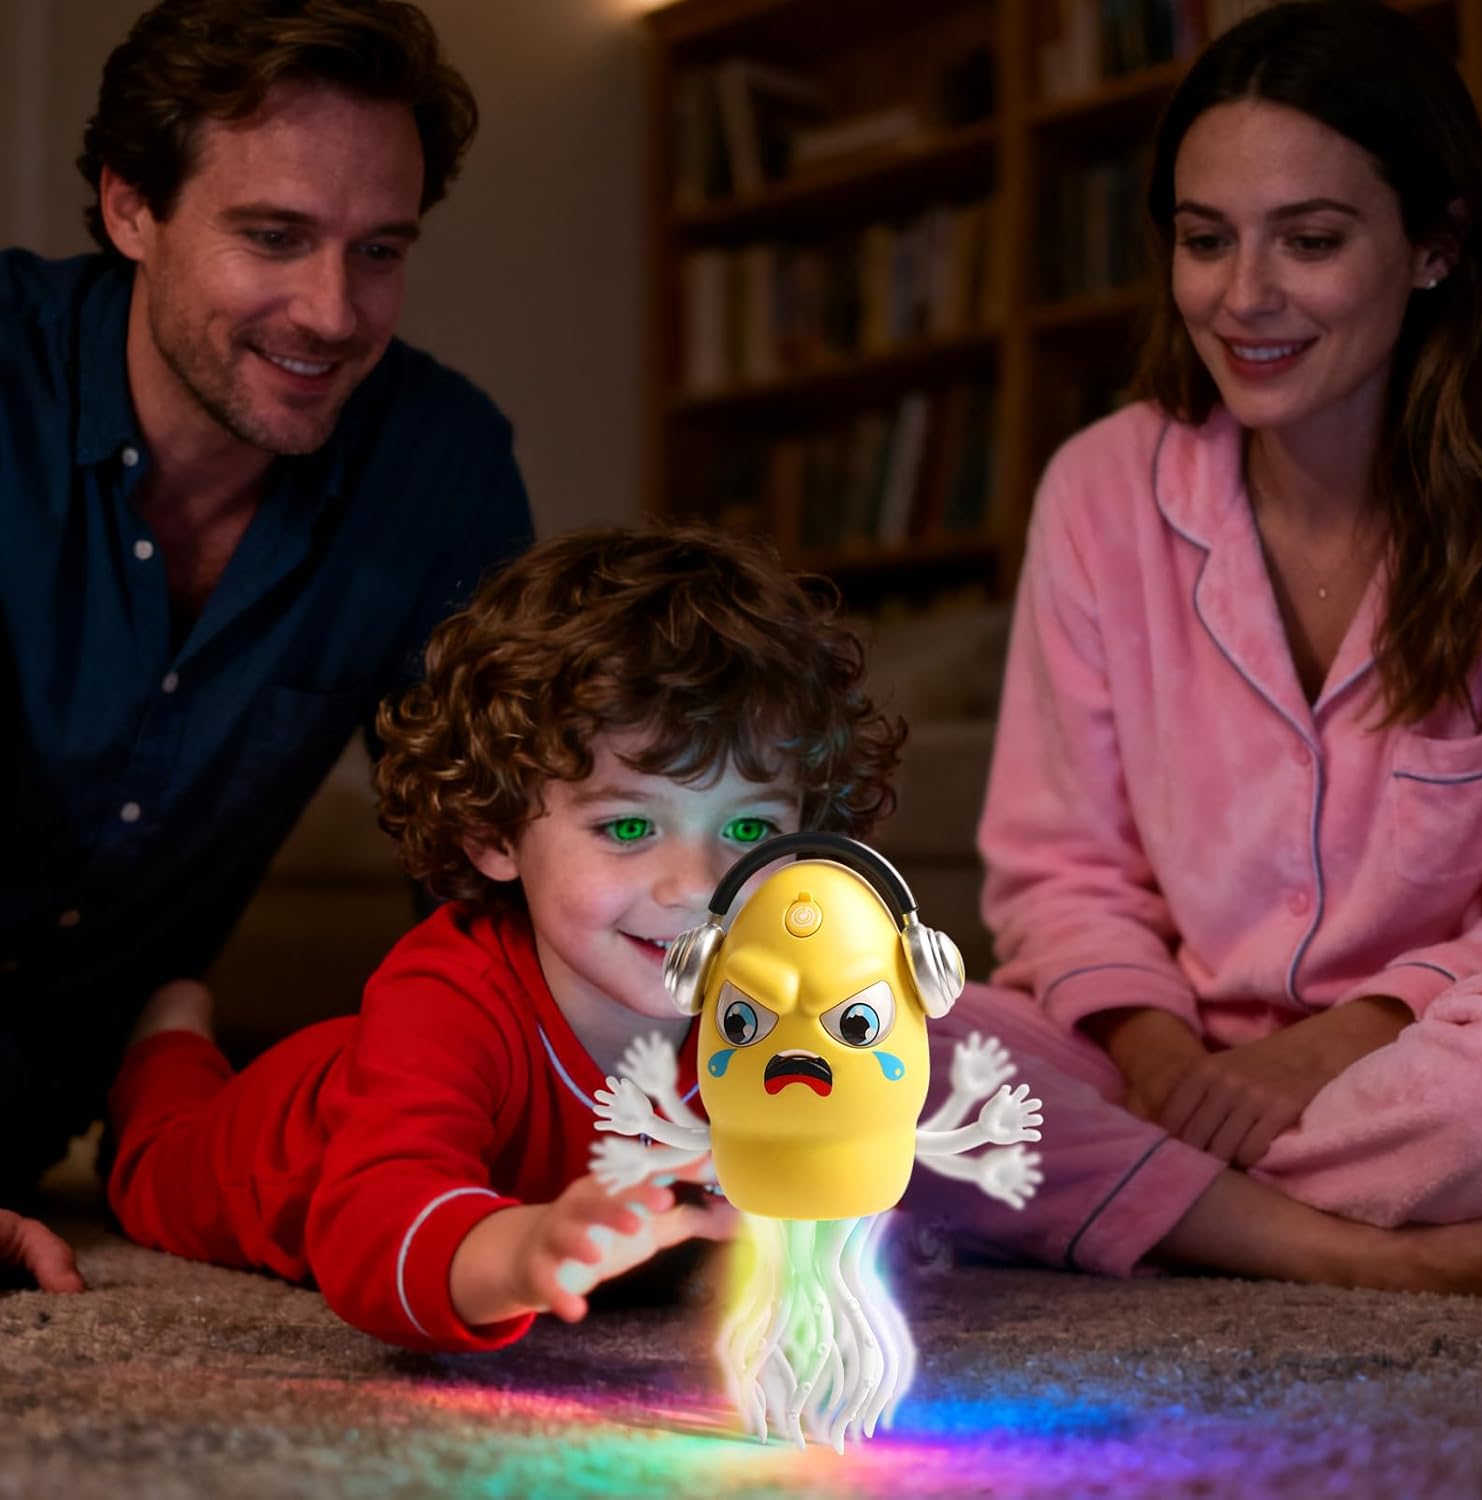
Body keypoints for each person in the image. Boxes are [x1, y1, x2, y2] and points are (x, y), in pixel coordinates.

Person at [910, 0, 1482, 1294]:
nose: (1243, 297)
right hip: (1157, 1052)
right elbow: (1060, 869)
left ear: (1435, 246)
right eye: (1205, 239)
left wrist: (1342, 1039)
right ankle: (1359, 1254)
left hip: (1437, 1046)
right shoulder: (1099, 488)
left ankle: (1142, 1204)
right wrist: (1161, 1059)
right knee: (860, 1051)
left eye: (1311, 240)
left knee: (1480, 1105)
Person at [0, 0, 533, 1291]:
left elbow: (495, 865)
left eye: (378, 250)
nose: (333, 313)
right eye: (274, 237)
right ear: (131, 207)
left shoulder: (437, 468)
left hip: (40, 1120)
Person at [100, 524, 906, 1350]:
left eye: (750, 828)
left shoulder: (784, 994)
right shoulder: (445, 1001)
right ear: (494, 834)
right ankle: (166, 1038)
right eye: (629, 826)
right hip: (261, 1143)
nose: (698, 886)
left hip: (374, 1068)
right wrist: (520, 1252)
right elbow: (373, 1231)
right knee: (153, 1155)